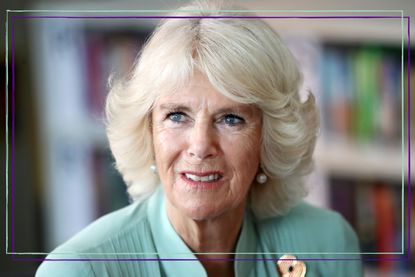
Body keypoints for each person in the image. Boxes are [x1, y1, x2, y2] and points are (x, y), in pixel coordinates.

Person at [37, 1, 363, 276]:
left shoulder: (329, 244)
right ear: (148, 130)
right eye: (177, 115)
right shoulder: (78, 270)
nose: (200, 146)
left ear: (270, 138)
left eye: (231, 118)